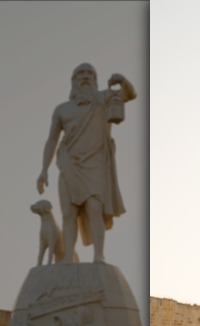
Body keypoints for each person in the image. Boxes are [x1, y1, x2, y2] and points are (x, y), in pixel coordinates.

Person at [37, 63, 136, 263]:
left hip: (96, 163)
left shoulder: (104, 99)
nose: (85, 76)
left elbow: (130, 94)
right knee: (68, 213)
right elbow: (51, 140)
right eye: (80, 73)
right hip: (68, 163)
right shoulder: (62, 110)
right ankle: (67, 259)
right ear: (73, 81)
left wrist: (123, 82)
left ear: (96, 79)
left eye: (90, 73)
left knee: (94, 208)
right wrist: (44, 170)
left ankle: (98, 255)